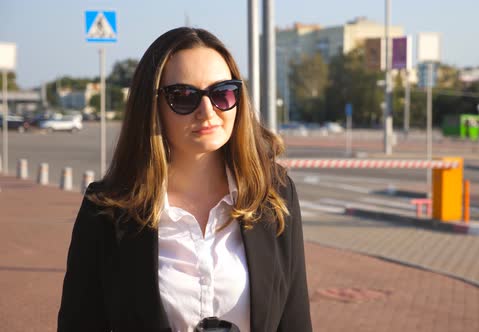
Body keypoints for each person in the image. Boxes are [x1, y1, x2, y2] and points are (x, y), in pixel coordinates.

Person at [58, 27, 312, 332]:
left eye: (223, 93)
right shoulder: (107, 209)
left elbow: (294, 322)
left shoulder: (274, 195)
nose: (208, 111)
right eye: (183, 96)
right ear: (152, 107)